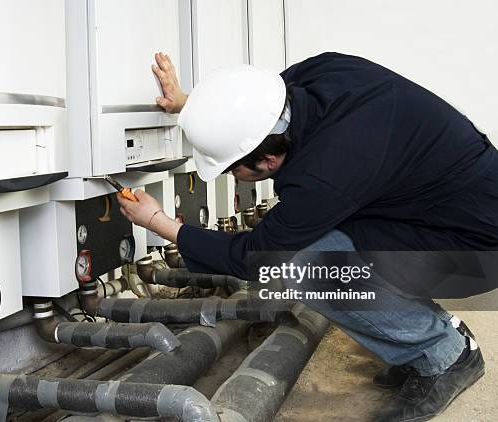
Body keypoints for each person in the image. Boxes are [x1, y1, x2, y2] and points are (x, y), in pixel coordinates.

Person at [117, 51, 497, 421]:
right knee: (325, 238)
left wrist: (157, 221)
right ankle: (429, 333)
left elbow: (252, 256)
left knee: (307, 262)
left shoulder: (327, 174)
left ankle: (445, 354)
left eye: (233, 169)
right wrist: (193, 109)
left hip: (472, 250)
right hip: (447, 209)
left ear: (266, 162)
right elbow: (250, 111)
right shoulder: (317, 74)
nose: (233, 177)